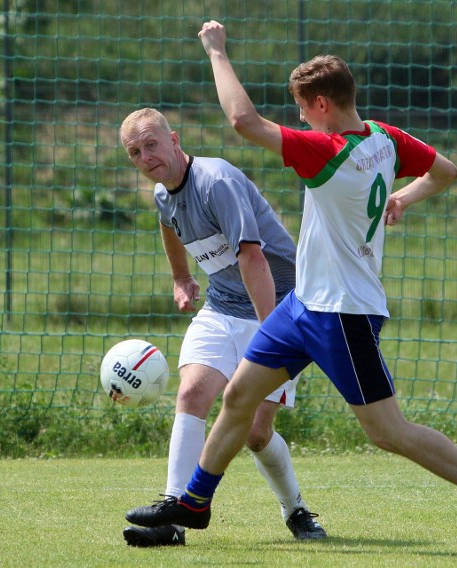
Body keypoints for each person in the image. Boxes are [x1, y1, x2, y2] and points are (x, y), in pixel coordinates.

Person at [127, 21, 457, 553]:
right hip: (303, 303)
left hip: (343, 313)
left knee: (389, 432)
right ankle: (194, 501)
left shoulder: (327, 152)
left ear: (321, 104)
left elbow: (241, 120)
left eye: (300, 106)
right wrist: (403, 199)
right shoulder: (384, 139)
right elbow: (447, 171)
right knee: (238, 396)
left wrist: (217, 50)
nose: (297, 116)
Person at [119, 108, 327, 547]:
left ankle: (296, 511)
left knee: (255, 433)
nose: (145, 156)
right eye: (135, 152)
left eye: (151, 144)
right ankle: (172, 517)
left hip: (276, 308)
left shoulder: (217, 182)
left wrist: (274, 333)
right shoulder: (163, 193)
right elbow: (168, 223)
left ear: (174, 139)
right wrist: (181, 276)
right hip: (222, 306)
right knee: (192, 394)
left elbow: (252, 258)